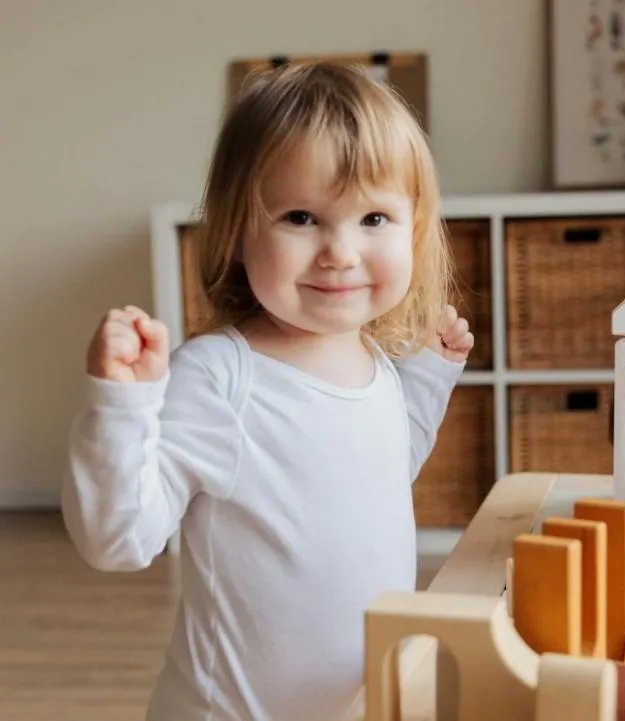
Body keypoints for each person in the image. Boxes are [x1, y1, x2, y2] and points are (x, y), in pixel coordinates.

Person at [61, 61, 474, 721]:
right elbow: (119, 539)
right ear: (237, 231)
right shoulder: (219, 378)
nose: (339, 250)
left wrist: (425, 377)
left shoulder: (373, 361)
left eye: (373, 218)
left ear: (414, 230)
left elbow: (383, 477)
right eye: (302, 216)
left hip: (355, 703)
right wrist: (121, 408)